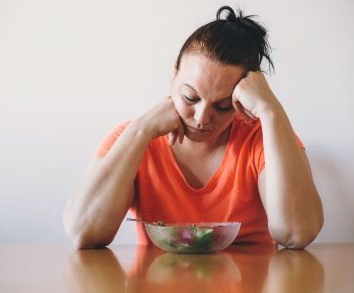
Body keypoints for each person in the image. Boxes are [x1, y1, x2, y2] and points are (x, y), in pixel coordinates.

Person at [63, 6, 324, 249]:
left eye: (222, 106)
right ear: (174, 74)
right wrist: (141, 130)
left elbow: (296, 234)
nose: (201, 118)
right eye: (190, 97)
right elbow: (82, 232)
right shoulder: (132, 137)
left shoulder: (265, 138)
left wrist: (270, 110)